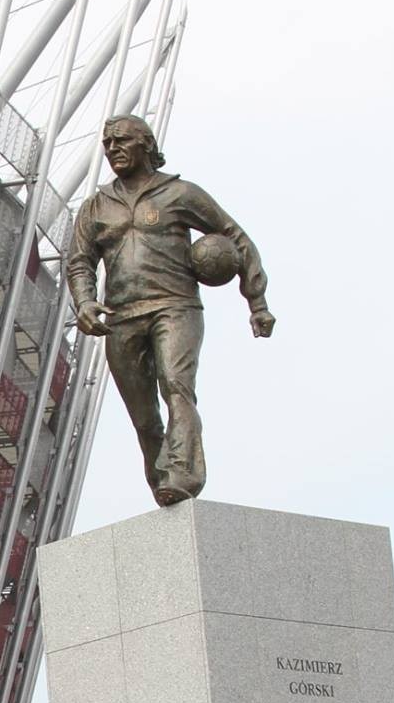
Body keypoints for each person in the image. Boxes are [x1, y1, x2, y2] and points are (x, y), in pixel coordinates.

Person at [64, 113, 274, 506]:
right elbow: (79, 261)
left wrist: (256, 302)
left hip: (175, 307)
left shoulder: (180, 193)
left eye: (121, 141)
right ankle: (162, 477)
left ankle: (183, 473)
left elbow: (236, 238)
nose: (112, 149)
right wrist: (85, 301)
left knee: (176, 385)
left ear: (146, 144)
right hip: (120, 317)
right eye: (107, 144)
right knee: (143, 416)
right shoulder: (96, 207)